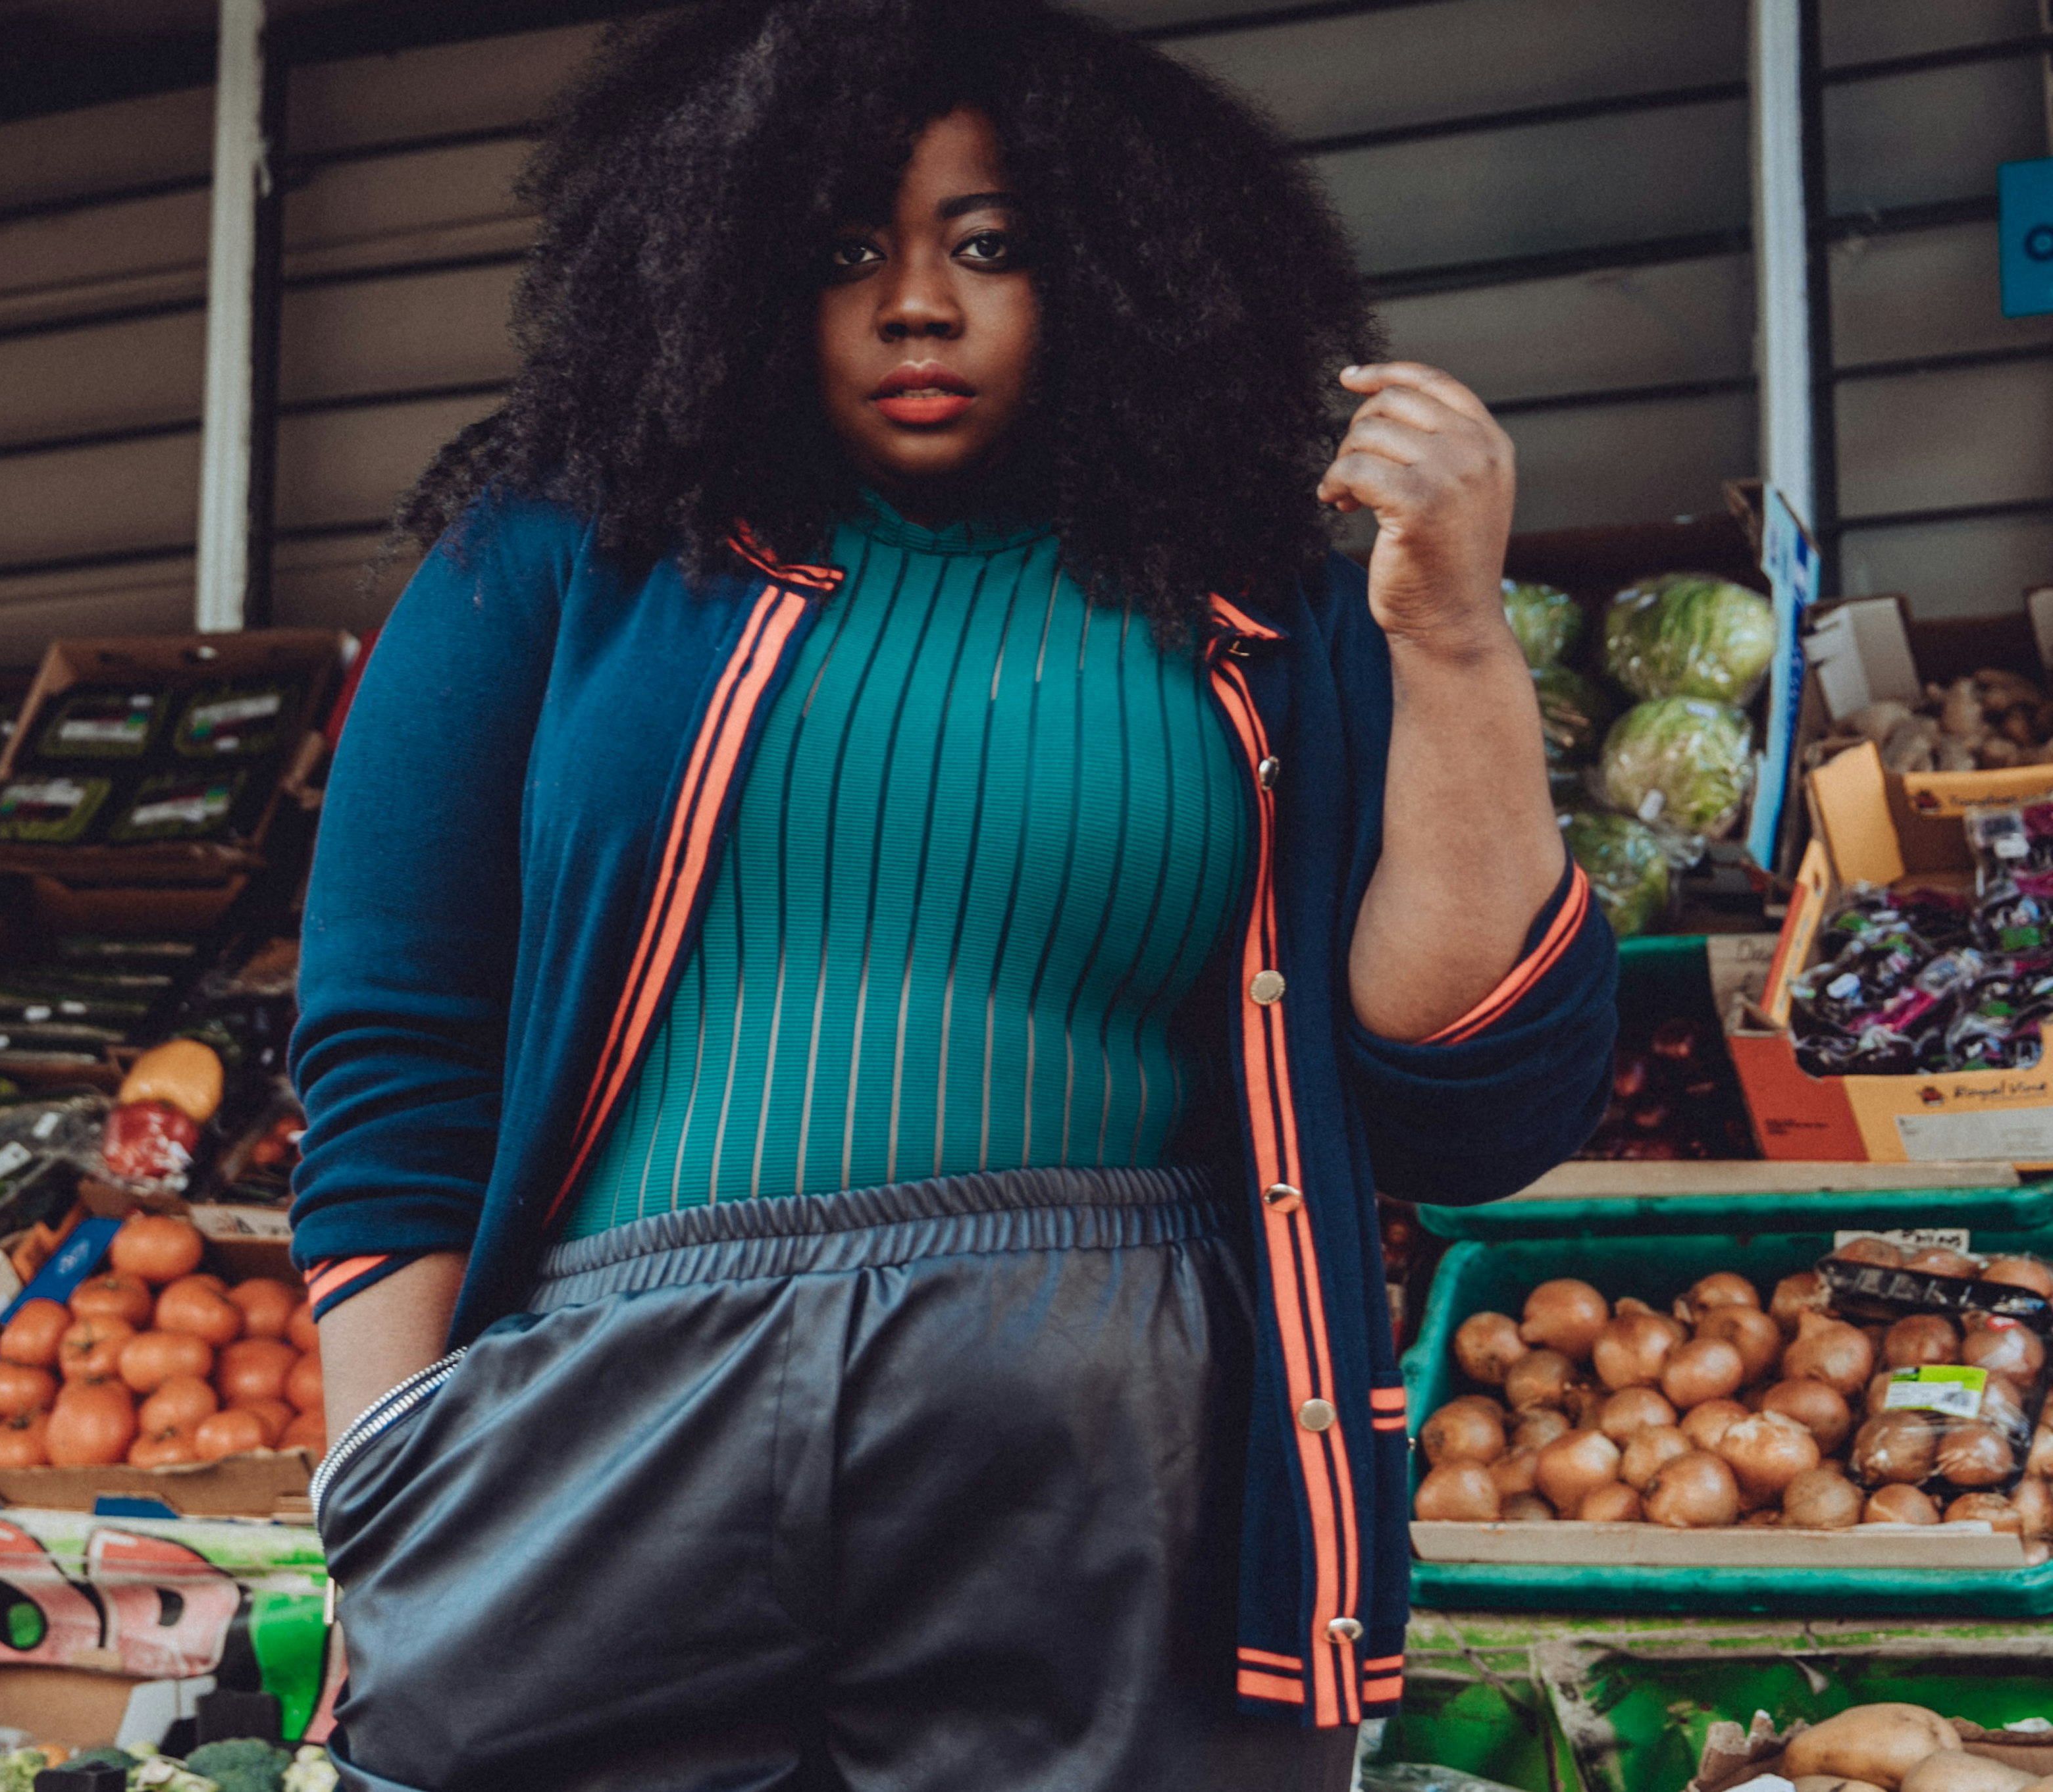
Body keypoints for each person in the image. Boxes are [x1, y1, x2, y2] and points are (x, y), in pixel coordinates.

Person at [290, 2, 1615, 1786]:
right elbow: (393, 1030)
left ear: (1118, 274)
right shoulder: (555, 562)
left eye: (993, 246)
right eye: (847, 249)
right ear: (733, 267)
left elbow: (1480, 1094)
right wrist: (394, 1461)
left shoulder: (1275, 616)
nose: (920, 301)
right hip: (608, 1426)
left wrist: (1452, 636)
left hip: (1114, 1447)